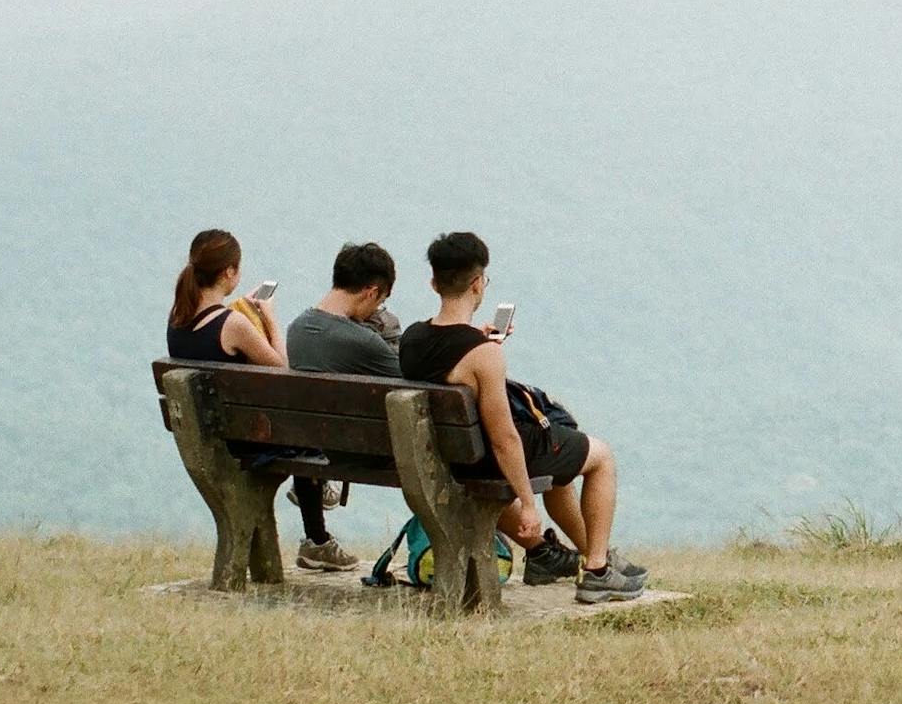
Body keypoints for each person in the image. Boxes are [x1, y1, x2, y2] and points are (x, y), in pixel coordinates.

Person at [398, 231, 646, 604]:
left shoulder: (413, 339)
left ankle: (596, 555)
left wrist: (478, 340)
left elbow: (450, 355)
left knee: (565, 458)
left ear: (434, 283)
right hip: (489, 458)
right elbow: (505, 438)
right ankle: (597, 571)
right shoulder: (483, 354)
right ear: (478, 283)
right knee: (601, 457)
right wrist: (528, 503)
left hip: (448, 457)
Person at [164, 228, 357, 574]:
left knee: (299, 428)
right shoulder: (233, 324)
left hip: (210, 436)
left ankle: (317, 514)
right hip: (249, 443)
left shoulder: (178, 318)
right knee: (307, 425)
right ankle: (317, 532)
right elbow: (283, 369)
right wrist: (269, 317)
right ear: (229, 272)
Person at [286, 242, 403, 379]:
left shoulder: (296, 328)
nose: (376, 310)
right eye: (380, 302)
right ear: (372, 293)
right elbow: (412, 381)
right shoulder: (365, 341)